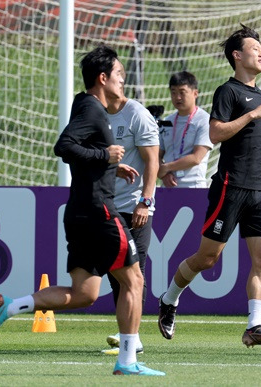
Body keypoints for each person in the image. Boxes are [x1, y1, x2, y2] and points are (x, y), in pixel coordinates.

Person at [0, 45, 165, 376]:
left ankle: (11, 307)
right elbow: (63, 147)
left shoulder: (87, 107)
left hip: (79, 212)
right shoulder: (93, 109)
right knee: (134, 281)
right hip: (99, 212)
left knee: (84, 294)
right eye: (120, 74)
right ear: (103, 77)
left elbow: (83, 152)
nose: (123, 80)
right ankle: (127, 360)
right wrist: (105, 158)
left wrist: (112, 167)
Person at [158, 24, 261, 348]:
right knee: (208, 258)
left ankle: (254, 326)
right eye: (255, 47)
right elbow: (215, 134)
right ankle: (169, 298)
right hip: (231, 184)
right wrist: (252, 117)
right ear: (237, 55)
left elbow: (240, 132)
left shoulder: (259, 95)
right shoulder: (227, 91)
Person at [101, 60, 160, 356]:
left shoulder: (137, 114)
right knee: (117, 273)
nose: (120, 80)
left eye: (122, 75)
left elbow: (153, 161)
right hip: (107, 207)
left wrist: (145, 202)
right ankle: (128, 333)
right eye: (117, 74)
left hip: (135, 207)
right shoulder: (96, 115)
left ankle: (133, 337)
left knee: (135, 272)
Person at [158, 71, 213, 188]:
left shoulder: (204, 120)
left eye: (182, 92)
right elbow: (156, 155)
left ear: (195, 93)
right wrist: (164, 175)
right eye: (173, 92)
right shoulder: (166, 121)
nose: (177, 97)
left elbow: (196, 158)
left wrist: (167, 167)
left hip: (194, 188)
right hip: (168, 188)